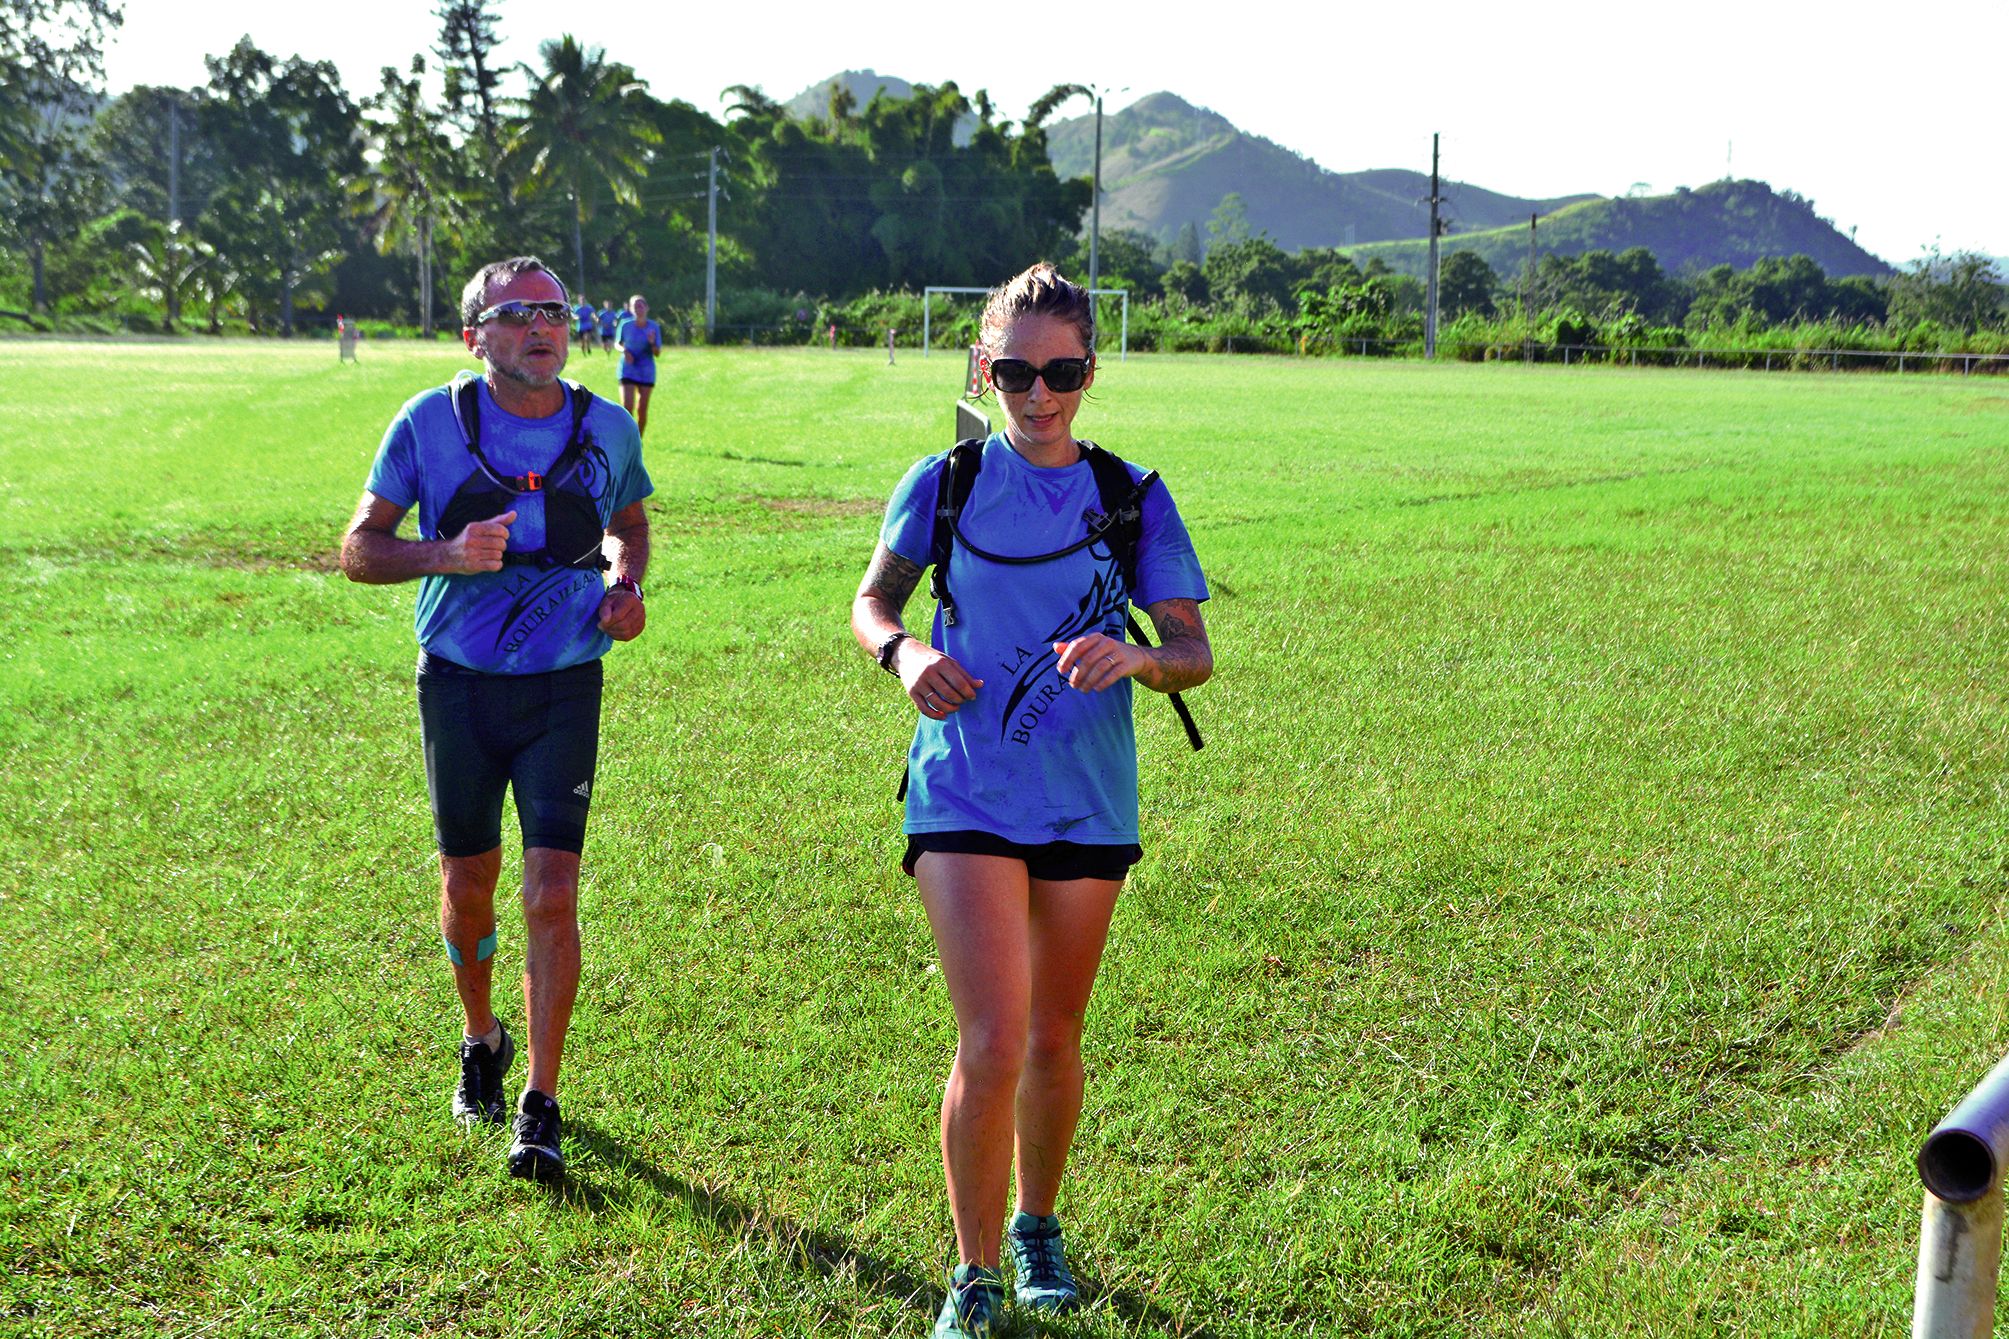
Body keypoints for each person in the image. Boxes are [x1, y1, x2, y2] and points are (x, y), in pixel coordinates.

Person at [850, 263, 1212, 1337]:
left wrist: (1137, 658)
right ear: (982, 366)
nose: (1037, 393)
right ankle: (970, 1274)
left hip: (1083, 793)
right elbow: (870, 602)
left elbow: (1192, 651)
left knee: (1054, 1032)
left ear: (1090, 372)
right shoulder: (943, 481)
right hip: (962, 781)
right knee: (994, 1037)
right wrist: (905, 652)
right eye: (1014, 371)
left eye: (1059, 371)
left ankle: (1035, 1226)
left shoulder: (1130, 495)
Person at [338, 255, 653, 1183]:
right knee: (469, 883)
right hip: (460, 686)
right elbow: (358, 551)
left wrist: (626, 585)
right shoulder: (428, 423)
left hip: (564, 686)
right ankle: (481, 1032)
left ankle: (541, 1101)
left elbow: (628, 523)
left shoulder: (602, 425)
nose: (540, 327)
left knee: (551, 891)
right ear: (473, 334)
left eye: (552, 311)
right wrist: (445, 551)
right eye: (514, 314)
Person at [614, 293, 663, 438]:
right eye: (635, 306)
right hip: (628, 369)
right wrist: (625, 351)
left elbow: (657, 353)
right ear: (630, 309)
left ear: (647, 308)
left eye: (641, 306)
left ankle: (638, 442)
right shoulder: (625, 324)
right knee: (627, 408)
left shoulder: (653, 327)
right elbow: (618, 343)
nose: (638, 309)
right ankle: (626, 441)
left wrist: (652, 342)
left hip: (646, 371)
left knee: (642, 410)